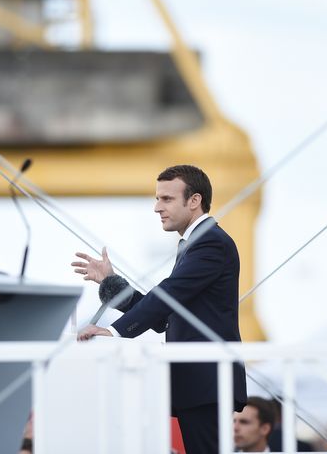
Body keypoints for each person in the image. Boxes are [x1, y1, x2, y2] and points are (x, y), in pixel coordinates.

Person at [72, 164, 247, 454]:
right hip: (197, 383)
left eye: (166, 199)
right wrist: (111, 283)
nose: (156, 207)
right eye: (157, 198)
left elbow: (168, 295)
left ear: (194, 201)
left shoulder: (210, 243)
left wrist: (114, 331)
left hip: (206, 381)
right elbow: (164, 314)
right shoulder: (196, 244)